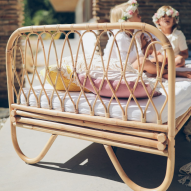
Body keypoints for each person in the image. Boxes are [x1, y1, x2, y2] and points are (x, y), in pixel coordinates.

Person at [103, 0, 191, 79]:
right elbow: (125, 63)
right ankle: (174, 73)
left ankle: (161, 72)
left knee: (154, 62)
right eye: (137, 15)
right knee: (143, 61)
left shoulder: (135, 33)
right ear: (127, 20)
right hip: (118, 71)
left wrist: (150, 43)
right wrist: (145, 49)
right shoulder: (120, 36)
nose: (140, 16)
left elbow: (158, 44)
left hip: (130, 67)